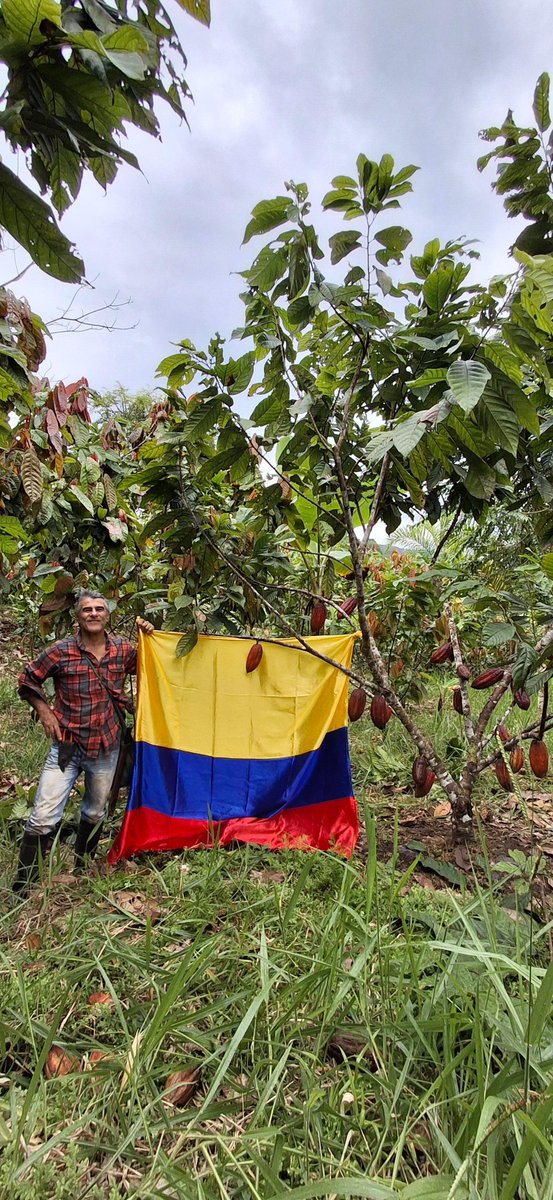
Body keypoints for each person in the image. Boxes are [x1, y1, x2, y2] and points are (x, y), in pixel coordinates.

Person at [14, 590, 154, 894]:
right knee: (42, 816)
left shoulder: (122, 649)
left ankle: (82, 865)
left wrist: (149, 636)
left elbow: (153, 664)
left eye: (99, 609)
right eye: (87, 610)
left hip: (107, 746)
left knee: (94, 811)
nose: (93, 614)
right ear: (78, 617)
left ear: (108, 616)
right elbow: (27, 680)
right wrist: (44, 711)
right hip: (68, 747)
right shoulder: (61, 651)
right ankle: (23, 887)